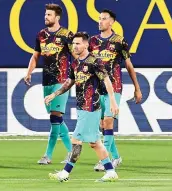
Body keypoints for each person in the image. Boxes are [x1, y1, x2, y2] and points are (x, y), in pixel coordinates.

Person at [46, 32, 119, 182]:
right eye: (74, 43)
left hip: (91, 107)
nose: (75, 46)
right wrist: (54, 94)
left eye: (78, 43)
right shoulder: (75, 63)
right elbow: (69, 82)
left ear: (86, 44)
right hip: (82, 108)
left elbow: (106, 79)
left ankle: (65, 173)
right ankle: (111, 172)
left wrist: (112, 100)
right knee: (95, 143)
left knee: (76, 140)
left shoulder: (94, 61)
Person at [89, 9, 142, 171]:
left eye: (104, 19)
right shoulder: (92, 41)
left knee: (108, 121)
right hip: (97, 88)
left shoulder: (120, 41)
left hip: (115, 86)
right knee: (102, 125)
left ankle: (104, 161)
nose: (100, 21)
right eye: (99, 19)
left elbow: (129, 65)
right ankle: (116, 157)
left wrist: (137, 88)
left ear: (111, 22)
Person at [24, 4, 74, 164]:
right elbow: (35, 56)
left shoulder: (67, 35)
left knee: (55, 117)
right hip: (46, 80)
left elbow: (76, 55)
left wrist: (77, 75)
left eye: (49, 15)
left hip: (62, 80)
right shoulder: (41, 35)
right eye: (45, 14)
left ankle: (48, 155)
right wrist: (29, 72)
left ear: (57, 17)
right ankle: (71, 151)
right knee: (56, 119)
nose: (46, 17)